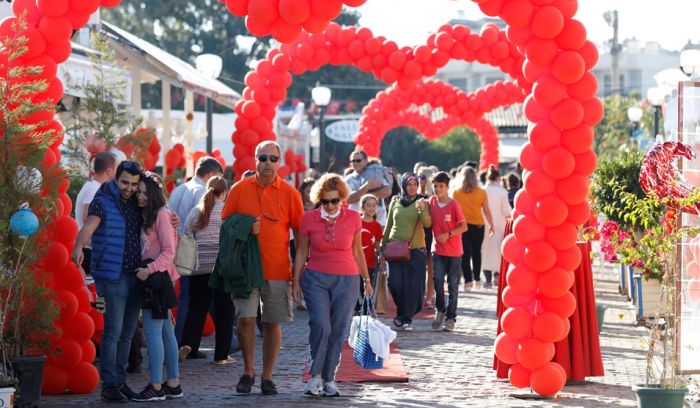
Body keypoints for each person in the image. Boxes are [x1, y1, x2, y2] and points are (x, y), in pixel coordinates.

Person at [220, 141, 304, 396]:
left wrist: (298, 275)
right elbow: (225, 227)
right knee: (245, 320)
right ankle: (248, 372)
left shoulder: (291, 193)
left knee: (271, 324)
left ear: (279, 162)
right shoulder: (239, 189)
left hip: (277, 270)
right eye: (263, 157)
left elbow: (300, 238)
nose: (268, 163)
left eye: (273, 158)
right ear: (255, 159)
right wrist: (245, 226)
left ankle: (267, 377)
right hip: (245, 271)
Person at [291, 174, 373, 397]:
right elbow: (301, 251)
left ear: (342, 198)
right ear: (319, 200)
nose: (329, 206)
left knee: (338, 331)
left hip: (347, 279)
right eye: (325, 201)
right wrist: (295, 279)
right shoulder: (308, 219)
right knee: (321, 325)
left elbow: (358, 251)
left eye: (334, 201)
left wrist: (366, 280)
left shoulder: (354, 218)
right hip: (315, 278)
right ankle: (314, 376)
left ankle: (329, 378)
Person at [71, 161, 144, 403]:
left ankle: (120, 382)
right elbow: (89, 227)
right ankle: (109, 384)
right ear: (115, 177)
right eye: (125, 182)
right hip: (111, 274)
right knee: (113, 331)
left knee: (128, 332)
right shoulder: (102, 201)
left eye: (134, 184)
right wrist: (79, 246)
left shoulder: (135, 202)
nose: (129, 188)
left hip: (135, 274)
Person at [132, 171, 182, 402]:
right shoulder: (149, 214)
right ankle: (172, 383)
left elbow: (169, 251)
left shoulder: (161, 214)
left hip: (158, 280)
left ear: (153, 193)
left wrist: (149, 270)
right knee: (165, 333)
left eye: (144, 192)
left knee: (153, 334)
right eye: (138, 191)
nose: (139, 196)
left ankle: (156, 386)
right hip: (155, 278)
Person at [179, 176, 237, 365]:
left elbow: (186, 233)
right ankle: (221, 355)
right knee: (224, 311)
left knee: (197, 308)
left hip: (198, 268)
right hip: (220, 267)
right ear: (224, 192)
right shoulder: (226, 211)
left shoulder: (197, 211)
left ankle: (188, 343)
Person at [168, 157, 223, 349]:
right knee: (194, 300)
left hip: (179, 249)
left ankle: (184, 343)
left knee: (188, 298)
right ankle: (183, 343)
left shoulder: (179, 189)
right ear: (211, 174)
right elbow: (204, 226)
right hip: (196, 253)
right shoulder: (201, 192)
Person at [380, 173, 432, 331]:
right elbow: (389, 225)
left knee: (414, 286)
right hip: (395, 247)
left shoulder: (422, 201)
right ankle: (403, 312)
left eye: (415, 184)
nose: (412, 187)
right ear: (403, 185)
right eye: (409, 184)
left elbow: (428, 224)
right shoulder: (395, 201)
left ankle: (407, 318)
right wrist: (382, 247)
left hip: (415, 249)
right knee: (394, 284)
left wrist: (422, 210)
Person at [428, 172, 467, 332]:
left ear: (447, 187)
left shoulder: (454, 205)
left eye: (441, 186)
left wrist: (449, 234)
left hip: (454, 252)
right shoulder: (431, 202)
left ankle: (451, 318)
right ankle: (440, 309)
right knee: (437, 280)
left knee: (453, 286)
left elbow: (464, 227)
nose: (438, 189)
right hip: (437, 250)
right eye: (435, 186)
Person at [75, 151, 117, 275]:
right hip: (88, 250)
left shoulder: (92, 186)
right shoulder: (94, 189)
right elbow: (87, 217)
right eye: (117, 168)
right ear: (109, 171)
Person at [452, 167, 495, 290]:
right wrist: (491, 224)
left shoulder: (456, 193)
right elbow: (486, 210)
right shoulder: (481, 192)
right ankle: (477, 279)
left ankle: (468, 281)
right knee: (477, 252)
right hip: (478, 225)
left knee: (464, 253)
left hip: (462, 226)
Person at [482, 166, 512, 288]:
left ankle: (487, 276)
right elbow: (506, 210)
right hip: (499, 224)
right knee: (498, 249)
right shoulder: (503, 192)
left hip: (484, 223)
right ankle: (497, 275)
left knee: (485, 249)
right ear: (498, 178)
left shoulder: (482, 190)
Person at [345, 150, 392, 225]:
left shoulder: (375, 173)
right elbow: (348, 199)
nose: (355, 163)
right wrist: (367, 187)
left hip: (379, 222)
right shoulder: (348, 179)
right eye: (353, 161)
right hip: (357, 224)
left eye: (358, 160)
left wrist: (362, 195)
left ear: (366, 161)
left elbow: (387, 191)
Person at [356, 194, 383, 314]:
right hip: (355, 261)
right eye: (368, 205)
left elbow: (377, 243)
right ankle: (356, 304)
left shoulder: (377, 225)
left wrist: (380, 254)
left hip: (370, 262)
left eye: (374, 205)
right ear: (362, 208)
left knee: (368, 285)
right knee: (356, 284)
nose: (371, 208)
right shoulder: (357, 222)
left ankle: (367, 307)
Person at [417, 166, 435, 309]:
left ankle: (429, 296)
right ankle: (420, 295)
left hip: (430, 233)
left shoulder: (432, 198)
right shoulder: (414, 196)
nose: (420, 180)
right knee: (419, 267)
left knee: (431, 266)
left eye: (423, 177)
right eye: (418, 177)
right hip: (418, 233)